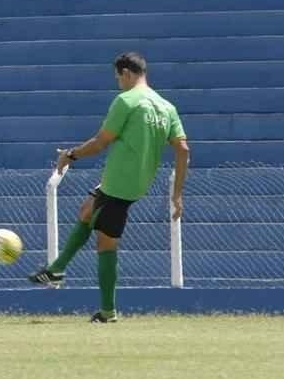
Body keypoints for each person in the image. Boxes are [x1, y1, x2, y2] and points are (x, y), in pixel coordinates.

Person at [28, 52, 191, 322]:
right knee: (87, 212)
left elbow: (101, 142)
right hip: (137, 182)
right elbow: (183, 150)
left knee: (106, 244)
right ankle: (65, 275)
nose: (118, 83)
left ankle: (101, 307)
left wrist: (70, 155)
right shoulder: (166, 107)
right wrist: (177, 194)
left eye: (118, 78)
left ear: (126, 73)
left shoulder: (126, 101)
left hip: (119, 183)